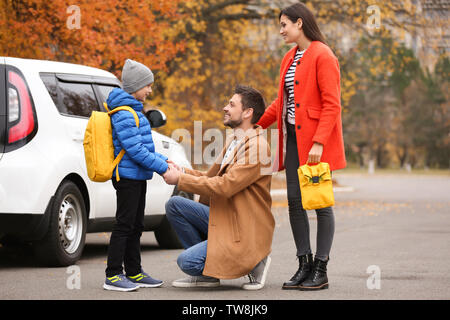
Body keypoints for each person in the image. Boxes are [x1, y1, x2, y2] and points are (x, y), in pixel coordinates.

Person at [256, 2, 346, 291]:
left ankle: (321, 268)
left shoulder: (323, 55)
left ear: (299, 23)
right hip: (294, 141)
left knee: (320, 203)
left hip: (315, 144)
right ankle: (304, 264)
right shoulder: (289, 58)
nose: (281, 30)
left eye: (284, 24)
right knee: (295, 202)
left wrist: (319, 142)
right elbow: (280, 102)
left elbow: (332, 105)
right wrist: (257, 124)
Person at [163, 85, 275, 290]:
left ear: (248, 112)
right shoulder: (235, 140)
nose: (225, 108)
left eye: (231, 104)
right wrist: (182, 172)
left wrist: (180, 180)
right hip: (227, 217)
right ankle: (209, 275)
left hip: (243, 229)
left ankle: (257, 260)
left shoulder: (258, 147)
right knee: (175, 205)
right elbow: (210, 177)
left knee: (187, 262)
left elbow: (224, 186)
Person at [103, 59, 169, 292]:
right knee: (124, 224)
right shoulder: (124, 113)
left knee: (136, 224)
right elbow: (135, 150)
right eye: (147, 85)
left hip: (138, 175)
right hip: (127, 177)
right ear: (134, 86)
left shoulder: (135, 111)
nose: (150, 90)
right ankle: (112, 275)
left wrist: (164, 161)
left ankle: (134, 272)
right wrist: (162, 168)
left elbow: (144, 149)